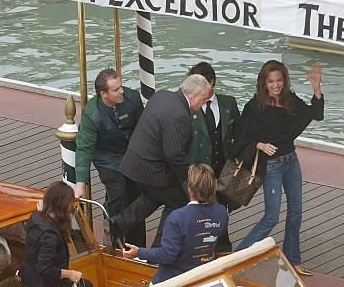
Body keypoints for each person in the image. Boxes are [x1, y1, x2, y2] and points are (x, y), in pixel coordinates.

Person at [233, 60, 323, 276]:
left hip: (291, 161)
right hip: (271, 165)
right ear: (264, 83)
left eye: (279, 81)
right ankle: (237, 258)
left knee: (296, 212)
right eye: (271, 81)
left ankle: (293, 259)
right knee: (271, 216)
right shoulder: (255, 107)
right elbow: (238, 137)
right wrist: (259, 145)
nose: (276, 85)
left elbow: (314, 115)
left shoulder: (290, 100)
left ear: (284, 81)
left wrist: (316, 89)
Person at [109, 74, 212, 249]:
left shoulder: (162, 95)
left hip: (134, 163)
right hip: (152, 169)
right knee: (178, 202)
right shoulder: (180, 115)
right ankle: (158, 251)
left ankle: (117, 224)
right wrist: (190, 180)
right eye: (203, 99)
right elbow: (174, 155)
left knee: (153, 196)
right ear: (194, 95)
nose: (203, 104)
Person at [74, 68, 146, 246]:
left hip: (131, 152)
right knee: (119, 194)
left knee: (137, 197)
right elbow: (84, 148)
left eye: (121, 87)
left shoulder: (133, 99)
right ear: (103, 94)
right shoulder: (93, 114)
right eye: (116, 90)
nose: (122, 91)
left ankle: (137, 246)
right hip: (107, 158)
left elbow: (143, 128)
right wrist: (80, 184)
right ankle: (113, 237)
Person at [123, 164, 228, 284]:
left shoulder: (177, 218)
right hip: (200, 280)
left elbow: (167, 255)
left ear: (189, 189)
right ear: (213, 185)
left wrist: (139, 252)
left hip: (171, 284)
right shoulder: (222, 212)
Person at [19, 181, 83, 287]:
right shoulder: (50, 236)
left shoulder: (36, 217)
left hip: (32, 282)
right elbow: (44, 268)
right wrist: (70, 274)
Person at [186, 62, 240, 252]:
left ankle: (223, 253)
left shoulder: (229, 104)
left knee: (221, 216)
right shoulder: (189, 106)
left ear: (211, 82)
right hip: (199, 176)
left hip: (222, 174)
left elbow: (238, 135)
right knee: (200, 218)